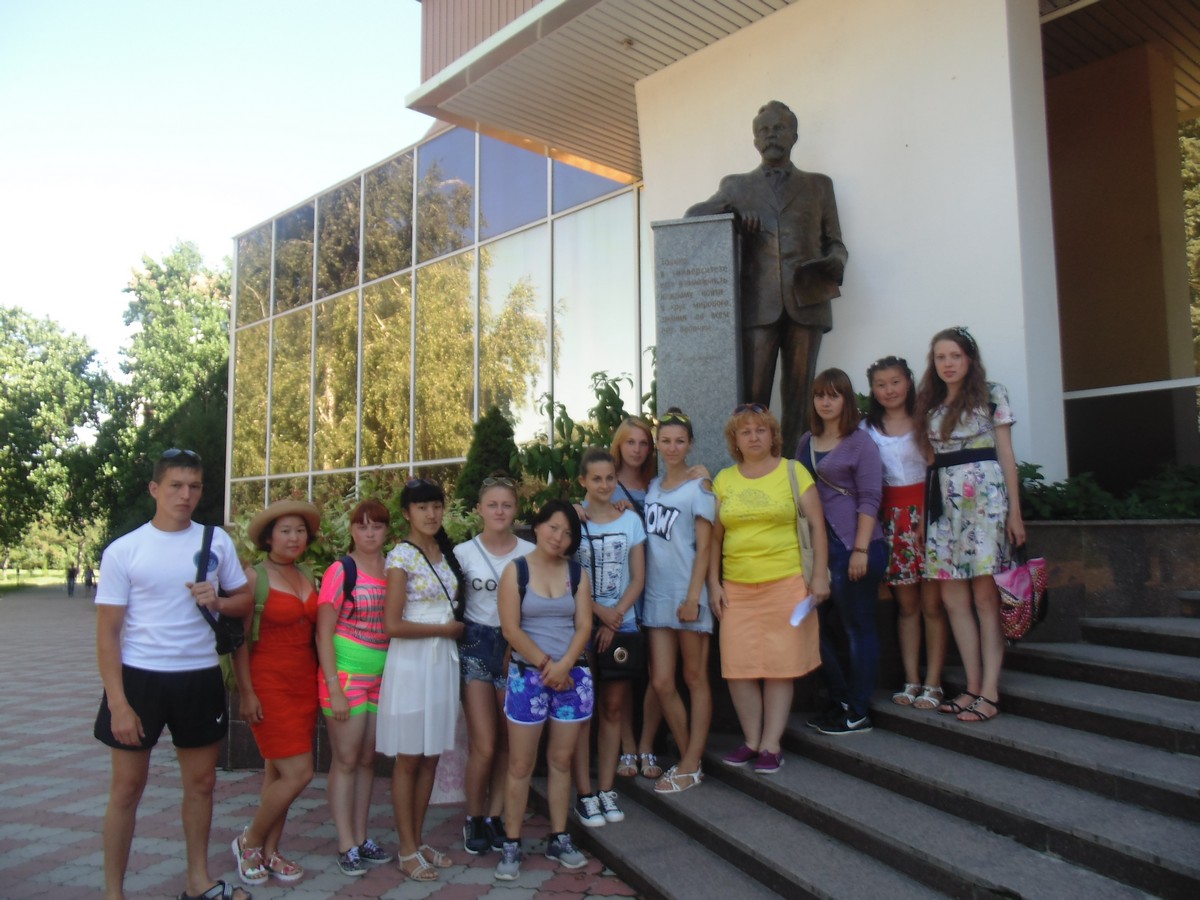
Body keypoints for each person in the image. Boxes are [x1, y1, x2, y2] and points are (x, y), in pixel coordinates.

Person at [93, 448, 253, 900]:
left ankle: (198, 882)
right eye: (176, 486)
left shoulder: (215, 542)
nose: (185, 495)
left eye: (194, 487)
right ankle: (113, 892)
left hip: (198, 676)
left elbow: (244, 601)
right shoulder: (125, 550)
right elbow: (107, 634)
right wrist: (118, 703)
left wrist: (218, 601)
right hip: (139, 679)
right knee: (127, 789)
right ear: (155, 489)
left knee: (201, 784)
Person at [686, 100, 848, 451]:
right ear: (755, 140)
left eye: (779, 129)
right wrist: (733, 212)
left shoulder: (819, 185)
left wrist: (837, 261)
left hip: (808, 299)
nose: (771, 135)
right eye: (764, 130)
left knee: (800, 394)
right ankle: (753, 467)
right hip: (758, 304)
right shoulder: (736, 185)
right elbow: (693, 216)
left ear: (794, 135)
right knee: (753, 397)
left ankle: (794, 467)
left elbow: (836, 243)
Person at [708, 405, 829, 773]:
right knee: (738, 667)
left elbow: (817, 526)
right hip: (737, 587)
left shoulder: (793, 471)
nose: (754, 437)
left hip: (786, 581)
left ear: (772, 435)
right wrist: (713, 583)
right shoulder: (724, 480)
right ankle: (751, 740)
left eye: (760, 430)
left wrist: (819, 576)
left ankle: (771, 744)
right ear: (735, 439)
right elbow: (714, 537)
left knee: (779, 667)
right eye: (745, 432)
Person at [916, 327, 1026, 723]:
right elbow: (929, 462)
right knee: (952, 600)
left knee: (984, 598)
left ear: (969, 359)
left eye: (955, 356)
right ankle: (973, 686)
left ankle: (990, 690)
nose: (947, 364)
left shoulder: (992, 394)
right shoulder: (928, 403)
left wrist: (1015, 513)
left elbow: (1006, 454)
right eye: (941, 357)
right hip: (944, 508)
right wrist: (925, 518)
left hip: (985, 504)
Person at [494, 500, 593, 881]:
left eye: (567, 532)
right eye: (553, 527)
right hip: (528, 677)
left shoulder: (577, 573)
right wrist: (547, 665)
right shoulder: (515, 571)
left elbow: (584, 626)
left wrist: (565, 665)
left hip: (572, 677)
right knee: (520, 764)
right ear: (537, 526)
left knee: (561, 761)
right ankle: (512, 841)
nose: (558, 537)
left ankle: (559, 836)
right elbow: (511, 629)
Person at [376, 478, 466, 882]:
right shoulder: (401, 556)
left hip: (442, 663)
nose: (431, 514)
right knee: (410, 756)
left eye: (436, 506)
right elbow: (392, 624)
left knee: (431, 755)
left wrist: (446, 633)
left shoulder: (444, 553)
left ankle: (417, 839)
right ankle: (406, 848)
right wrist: (443, 631)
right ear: (407, 513)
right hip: (413, 663)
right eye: (422, 507)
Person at [229, 500, 322, 886]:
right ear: (269, 538)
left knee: (278, 773)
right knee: (300, 773)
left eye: (300, 531)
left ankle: (270, 851)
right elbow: (238, 641)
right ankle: (249, 841)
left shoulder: (307, 575)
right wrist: (246, 693)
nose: (294, 537)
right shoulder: (254, 578)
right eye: (285, 531)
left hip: (304, 684)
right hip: (268, 683)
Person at [796, 370, 886, 735]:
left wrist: (860, 550)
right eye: (820, 395)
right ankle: (842, 699)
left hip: (856, 545)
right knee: (810, 625)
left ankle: (858, 711)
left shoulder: (861, 442)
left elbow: (870, 497)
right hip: (820, 549)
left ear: (846, 399)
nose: (826, 402)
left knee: (857, 628)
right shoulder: (806, 441)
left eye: (834, 395)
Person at [453, 474, 534, 855]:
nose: (499, 511)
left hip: (515, 647)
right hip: (475, 645)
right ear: (479, 510)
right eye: (492, 505)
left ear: (515, 509)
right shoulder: (462, 553)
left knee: (507, 741)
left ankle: (495, 815)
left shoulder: (530, 552)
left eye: (506, 505)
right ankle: (473, 815)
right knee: (484, 744)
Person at [315, 499, 396, 876]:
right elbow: (323, 633)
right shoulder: (341, 570)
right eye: (362, 526)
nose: (369, 533)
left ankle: (362, 837)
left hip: (382, 676)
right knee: (345, 759)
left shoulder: (392, 569)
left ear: (386, 531)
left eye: (376, 526)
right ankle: (345, 842)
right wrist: (334, 687)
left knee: (366, 759)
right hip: (346, 676)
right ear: (351, 530)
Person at [864, 356, 947, 711]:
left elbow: (937, 468)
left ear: (909, 382)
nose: (889, 390)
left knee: (932, 605)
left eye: (895, 382)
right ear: (872, 390)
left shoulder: (925, 419)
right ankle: (911, 679)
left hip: (928, 517)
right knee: (907, 606)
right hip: (890, 520)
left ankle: (934, 683)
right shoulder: (866, 429)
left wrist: (927, 515)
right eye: (881, 384)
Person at [641, 409, 715, 792]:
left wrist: (694, 596)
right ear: (658, 444)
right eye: (666, 441)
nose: (672, 447)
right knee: (662, 681)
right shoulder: (653, 486)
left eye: (679, 441)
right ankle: (691, 759)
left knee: (695, 678)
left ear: (690, 444)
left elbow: (705, 547)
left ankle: (688, 764)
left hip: (689, 593)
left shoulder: (699, 487)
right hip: (656, 596)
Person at [572, 448, 646, 828]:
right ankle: (585, 793)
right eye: (596, 478)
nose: (604, 485)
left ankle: (606, 789)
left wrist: (614, 618)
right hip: (581, 627)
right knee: (582, 711)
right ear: (583, 481)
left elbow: (638, 577)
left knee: (613, 708)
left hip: (622, 626)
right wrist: (598, 612)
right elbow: (564, 576)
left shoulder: (630, 520)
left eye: (610, 478)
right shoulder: (572, 521)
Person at [608, 417, 662, 781]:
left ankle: (647, 744)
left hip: (660, 586)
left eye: (644, 443)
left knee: (660, 675)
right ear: (619, 446)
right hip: (624, 591)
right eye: (631, 442)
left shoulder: (659, 483)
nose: (638, 450)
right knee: (622, 674)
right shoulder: (607, 485)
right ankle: (627, 746)